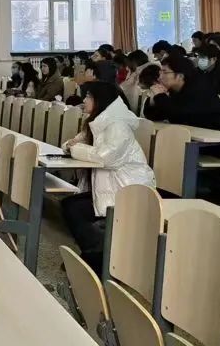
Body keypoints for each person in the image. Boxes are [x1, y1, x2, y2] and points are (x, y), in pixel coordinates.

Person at [61, 82, 156, 273]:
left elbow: (106, 158)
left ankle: (97, 259)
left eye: (88, 96)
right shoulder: (98, 123)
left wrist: (75, 148)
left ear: (100, 100)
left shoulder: (117, 125)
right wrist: (71, 146)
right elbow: (71, 144)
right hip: (111, 187)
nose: (84, 100)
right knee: (71, 205)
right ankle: (95, 256)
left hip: (127, 189)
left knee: (75, 208)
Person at [144, 54, 220, 130]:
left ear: (180, 76)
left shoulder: (199, 88)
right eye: (160, 72)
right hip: (196, 133)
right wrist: (153, 100)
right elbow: (154, 116)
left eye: (165, 72)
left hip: (218, 133)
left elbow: (178, 116)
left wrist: (159, 96)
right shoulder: (173, 89)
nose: (159, 77)